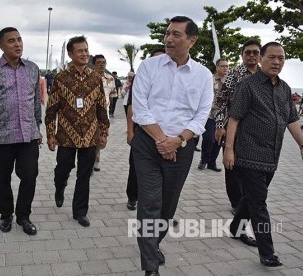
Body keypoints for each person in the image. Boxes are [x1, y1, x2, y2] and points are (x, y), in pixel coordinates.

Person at [131, 16, 213, 276]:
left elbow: (201, 115)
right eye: (167, 33)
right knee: (149, 203)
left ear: (192, 40)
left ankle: (154, 243)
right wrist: (160, 140)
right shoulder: (149, 66)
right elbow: (140, 108)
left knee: (167, 207)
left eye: (176, 34)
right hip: (147, 143)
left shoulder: (203, 75)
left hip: (182, 145)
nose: (168, 38)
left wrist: (178, 141)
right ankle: (150, 267)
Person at [224, 42, 303, 267]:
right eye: (272, 57)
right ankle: (267, 252)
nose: (277, 62)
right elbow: (234, 118)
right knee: (259, 204)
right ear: (261, 59)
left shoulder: (284, 88)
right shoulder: (248, 86)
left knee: (253, 198)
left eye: (281, 58)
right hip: (249, 153)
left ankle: (234, 227)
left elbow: (291, 120)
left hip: (271, 155)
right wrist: (229, 150)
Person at [0, 27, 41, 236]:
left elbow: (35, 103)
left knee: (30, 175)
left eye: (19, 39)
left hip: (28, 135)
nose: (17, 44)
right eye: (11, 41)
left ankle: (24, 215)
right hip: (2, 136)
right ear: (1, 46)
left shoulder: (32, 68)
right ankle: (6, 214)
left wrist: (38, 127)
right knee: (2, 177)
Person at [45, 35, 110, 228]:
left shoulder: (96, 78)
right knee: (63, 168)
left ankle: (80, 211)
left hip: (90, 136)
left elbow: (101, 108)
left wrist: (104, 132)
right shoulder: (61, 78)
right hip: (66, 135)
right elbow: (51, 109)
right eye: (80, 51)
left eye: (86, 50)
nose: (84, 54)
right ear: (71, 54)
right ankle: (60, 187)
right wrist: (50, 133)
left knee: (84, 175)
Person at [214, 39, 262, 215]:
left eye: (255, 52)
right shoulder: (234, 75)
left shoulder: (263, 75)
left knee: (250, 167)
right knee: (232, 166)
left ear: (260, 55)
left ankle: (247, 199)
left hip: (255, 130)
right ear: (242, 55)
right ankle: (236, 202)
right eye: (247, 52)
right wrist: (219, 125)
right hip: (233, 128)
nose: (251, 55)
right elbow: (221, 102)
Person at [125, 47, 165, 211]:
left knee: (164, 173)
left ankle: (162, 206)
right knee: (136, 168)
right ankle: (132, 197)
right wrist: (130, 131)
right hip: (142, 133)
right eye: (155, 59)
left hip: (167, 135)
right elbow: (131, 106)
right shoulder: (141, 78)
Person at [198, 58, 229, 172]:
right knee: (208, 139)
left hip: (224, 118)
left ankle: (212, 162)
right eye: (222, 66)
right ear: (217, 67)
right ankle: (203, 160)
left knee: (219, 141)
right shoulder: (209, 80)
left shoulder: (230, 81)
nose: (225, 68)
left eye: (227, 66)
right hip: (210, 115)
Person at [92, 54, 115, 172]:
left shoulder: (110, 79)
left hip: (104, 115)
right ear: (94, 64)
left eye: (103, 62)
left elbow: (112, 95)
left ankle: (95, 161)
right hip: (90, 114)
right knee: (91, 138)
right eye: (99, 62)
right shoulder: (89, 77)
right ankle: (88, 161)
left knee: (100, 139)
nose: (101, 64)